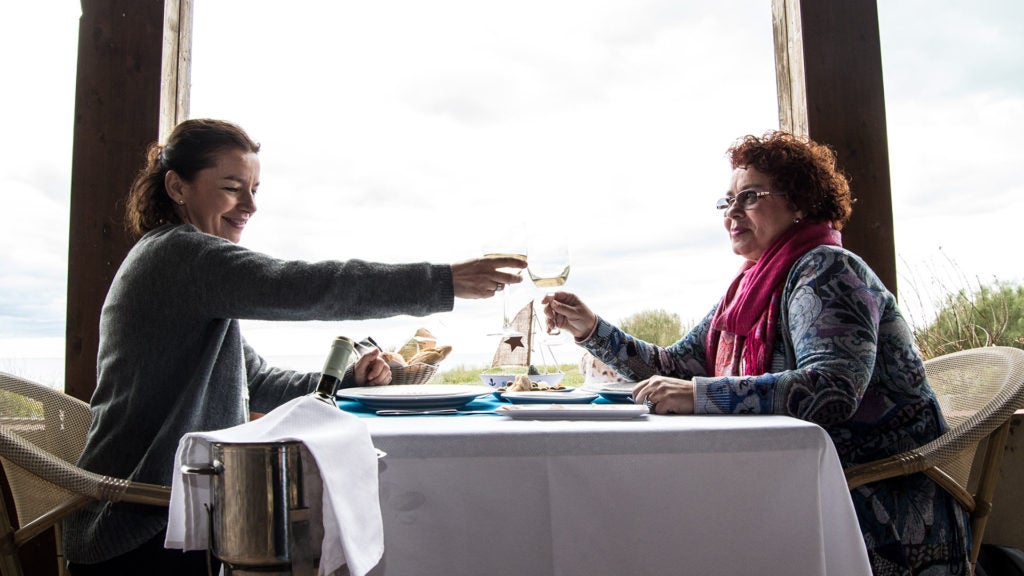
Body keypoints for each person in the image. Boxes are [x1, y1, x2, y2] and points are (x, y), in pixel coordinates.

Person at [63, 118, 525, 575]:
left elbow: (257, 380)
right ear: (178, 187)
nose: (249, 205)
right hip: (137, 528)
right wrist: (442, 281)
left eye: (254, 189)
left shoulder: (186, 264)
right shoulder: (180, 255)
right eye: (231, 187)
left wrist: (346, 380)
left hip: (171, 520)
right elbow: (304, 286)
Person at [543, 131, 970, 575]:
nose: (731, 213)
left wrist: (705, 395)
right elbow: (672, 369)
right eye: (726, 201)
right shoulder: (751, 288)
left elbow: (832, 389)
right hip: (797, 482)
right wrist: (590, 329)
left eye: (749, 197)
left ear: (800, 202)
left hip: (869, 501)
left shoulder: (827, 269)